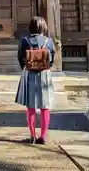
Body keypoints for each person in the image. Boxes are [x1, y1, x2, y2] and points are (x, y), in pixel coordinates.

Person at [15, 16, 55, 144]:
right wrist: (44, 67)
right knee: (45, 106)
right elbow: (52, 59)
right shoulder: (48, 41)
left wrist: (27, 68)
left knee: (30, 106)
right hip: (44, 74)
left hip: (29, 74)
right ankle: (43, 136)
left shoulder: (25, 40)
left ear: (30, 27)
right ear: (43, 27)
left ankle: (32, 135)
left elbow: (20, 57)